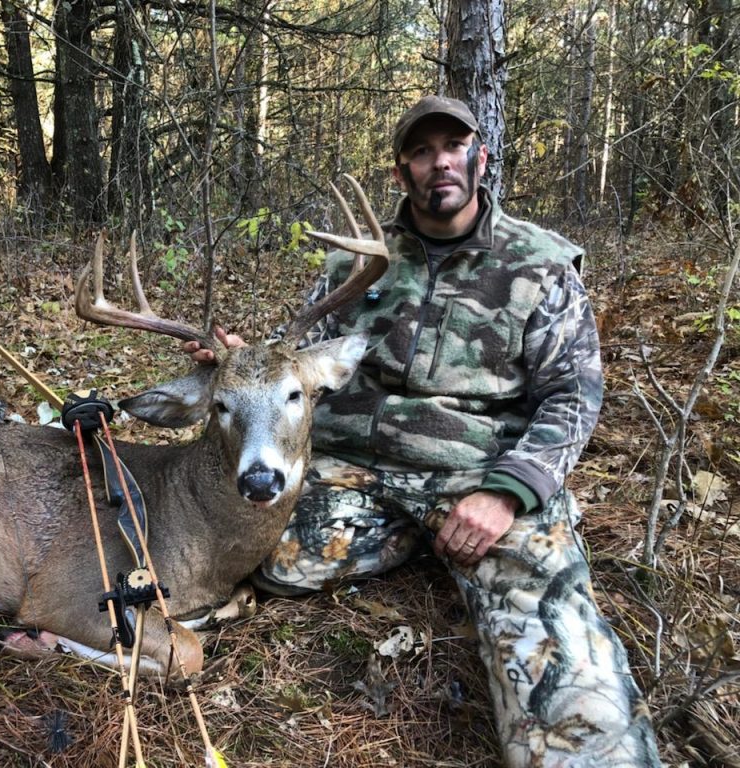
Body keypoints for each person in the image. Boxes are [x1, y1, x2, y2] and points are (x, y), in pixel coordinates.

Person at [186, 96, 660, 767]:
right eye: (422, 151)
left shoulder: (541, 264)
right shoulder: (357, 265)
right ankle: (418, 541)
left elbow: (573, 395)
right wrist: (244, 363)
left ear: (480, 158)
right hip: (356, 468)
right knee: (267, 558)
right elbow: (303, 362)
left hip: (479, 477)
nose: (440, 162)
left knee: (555, 649)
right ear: (401, 170)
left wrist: (508, 494)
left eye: (454, 146)